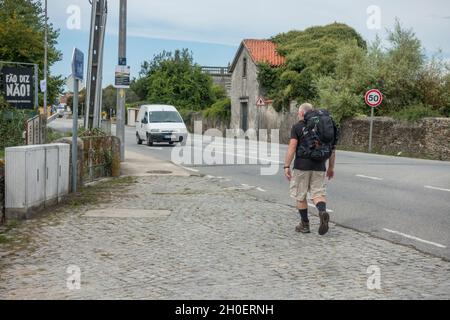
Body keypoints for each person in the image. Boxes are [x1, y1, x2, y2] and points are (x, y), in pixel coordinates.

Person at [283, 103, 337, 235]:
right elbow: (332, 149)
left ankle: (305, 224)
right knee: (318, 193)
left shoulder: (298, 127)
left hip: (302, 165)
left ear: (302, 113)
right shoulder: (325, 127)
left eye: (298, 113)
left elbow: (292, 147)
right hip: (320, 165)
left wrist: (286, 165)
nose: (298, 115)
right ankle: (322, 212)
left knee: (300, 195)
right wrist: (330, 167)